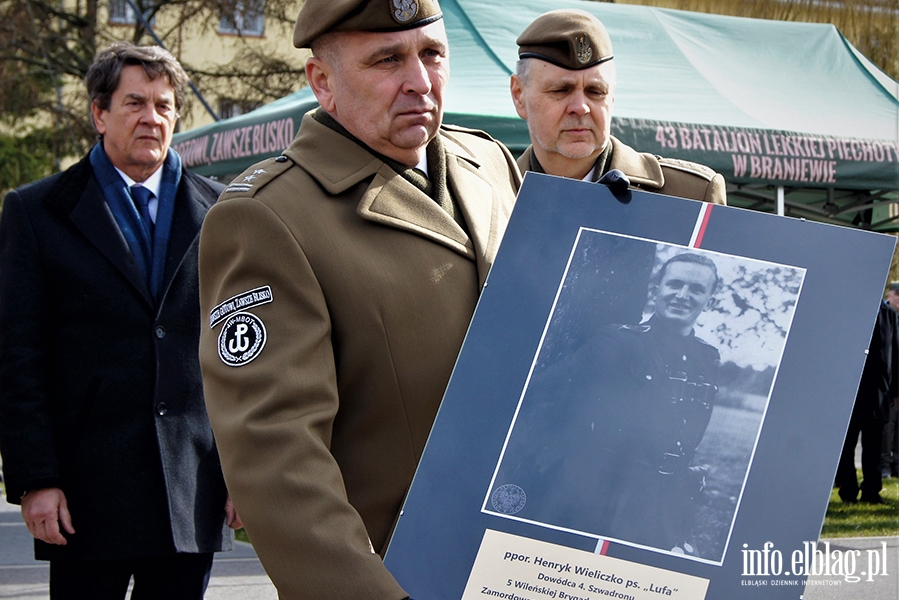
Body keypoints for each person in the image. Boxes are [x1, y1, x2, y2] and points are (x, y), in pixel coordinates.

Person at [197, 0, 521, 597]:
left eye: (433, 53)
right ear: (323, 82)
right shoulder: (268, 217)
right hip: (399, 572)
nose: (419, 82)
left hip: (527, 566)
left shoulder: (490, 166)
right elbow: (277, 458)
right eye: (386, 60)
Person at [0, 42, 239, 598]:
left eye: (164, 105)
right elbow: (18, 358)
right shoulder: (37, 213)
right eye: (135, 103)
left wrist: (240, 473)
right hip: (86, 495)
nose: (151, 118)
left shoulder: (225, 213)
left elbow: (241, 354)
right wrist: (36, 480)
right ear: (99, 113)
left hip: (189, 488)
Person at [494, 252, 721, 556]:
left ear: (710, 300)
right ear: (657, 290)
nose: (682, 295)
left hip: (660, 502)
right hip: (602, 495)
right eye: (675, 284)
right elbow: (541, 390)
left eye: (696, 289)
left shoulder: (707, 357)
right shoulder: (618, 341)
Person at [510, 9, 727, 205]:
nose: (581, 107)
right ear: (519, 96)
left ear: (612, 96)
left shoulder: (691, 196)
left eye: (596, 91)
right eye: (561, 90)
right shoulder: (489, 201)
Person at [837, 285, 898, 503]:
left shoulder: (889, 314)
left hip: (879, 392)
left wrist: (896, 391)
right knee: (846, 445)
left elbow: (895, 351)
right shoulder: (849, 311)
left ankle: (872, 491)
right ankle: (848, 491)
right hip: (851, 391)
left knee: (874, 446)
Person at [881, 282, 899, 478]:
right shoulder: (883, 314)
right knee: (887, 427)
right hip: (887, 382)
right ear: (891, 295)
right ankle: (884, 466)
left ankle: (896, 465)